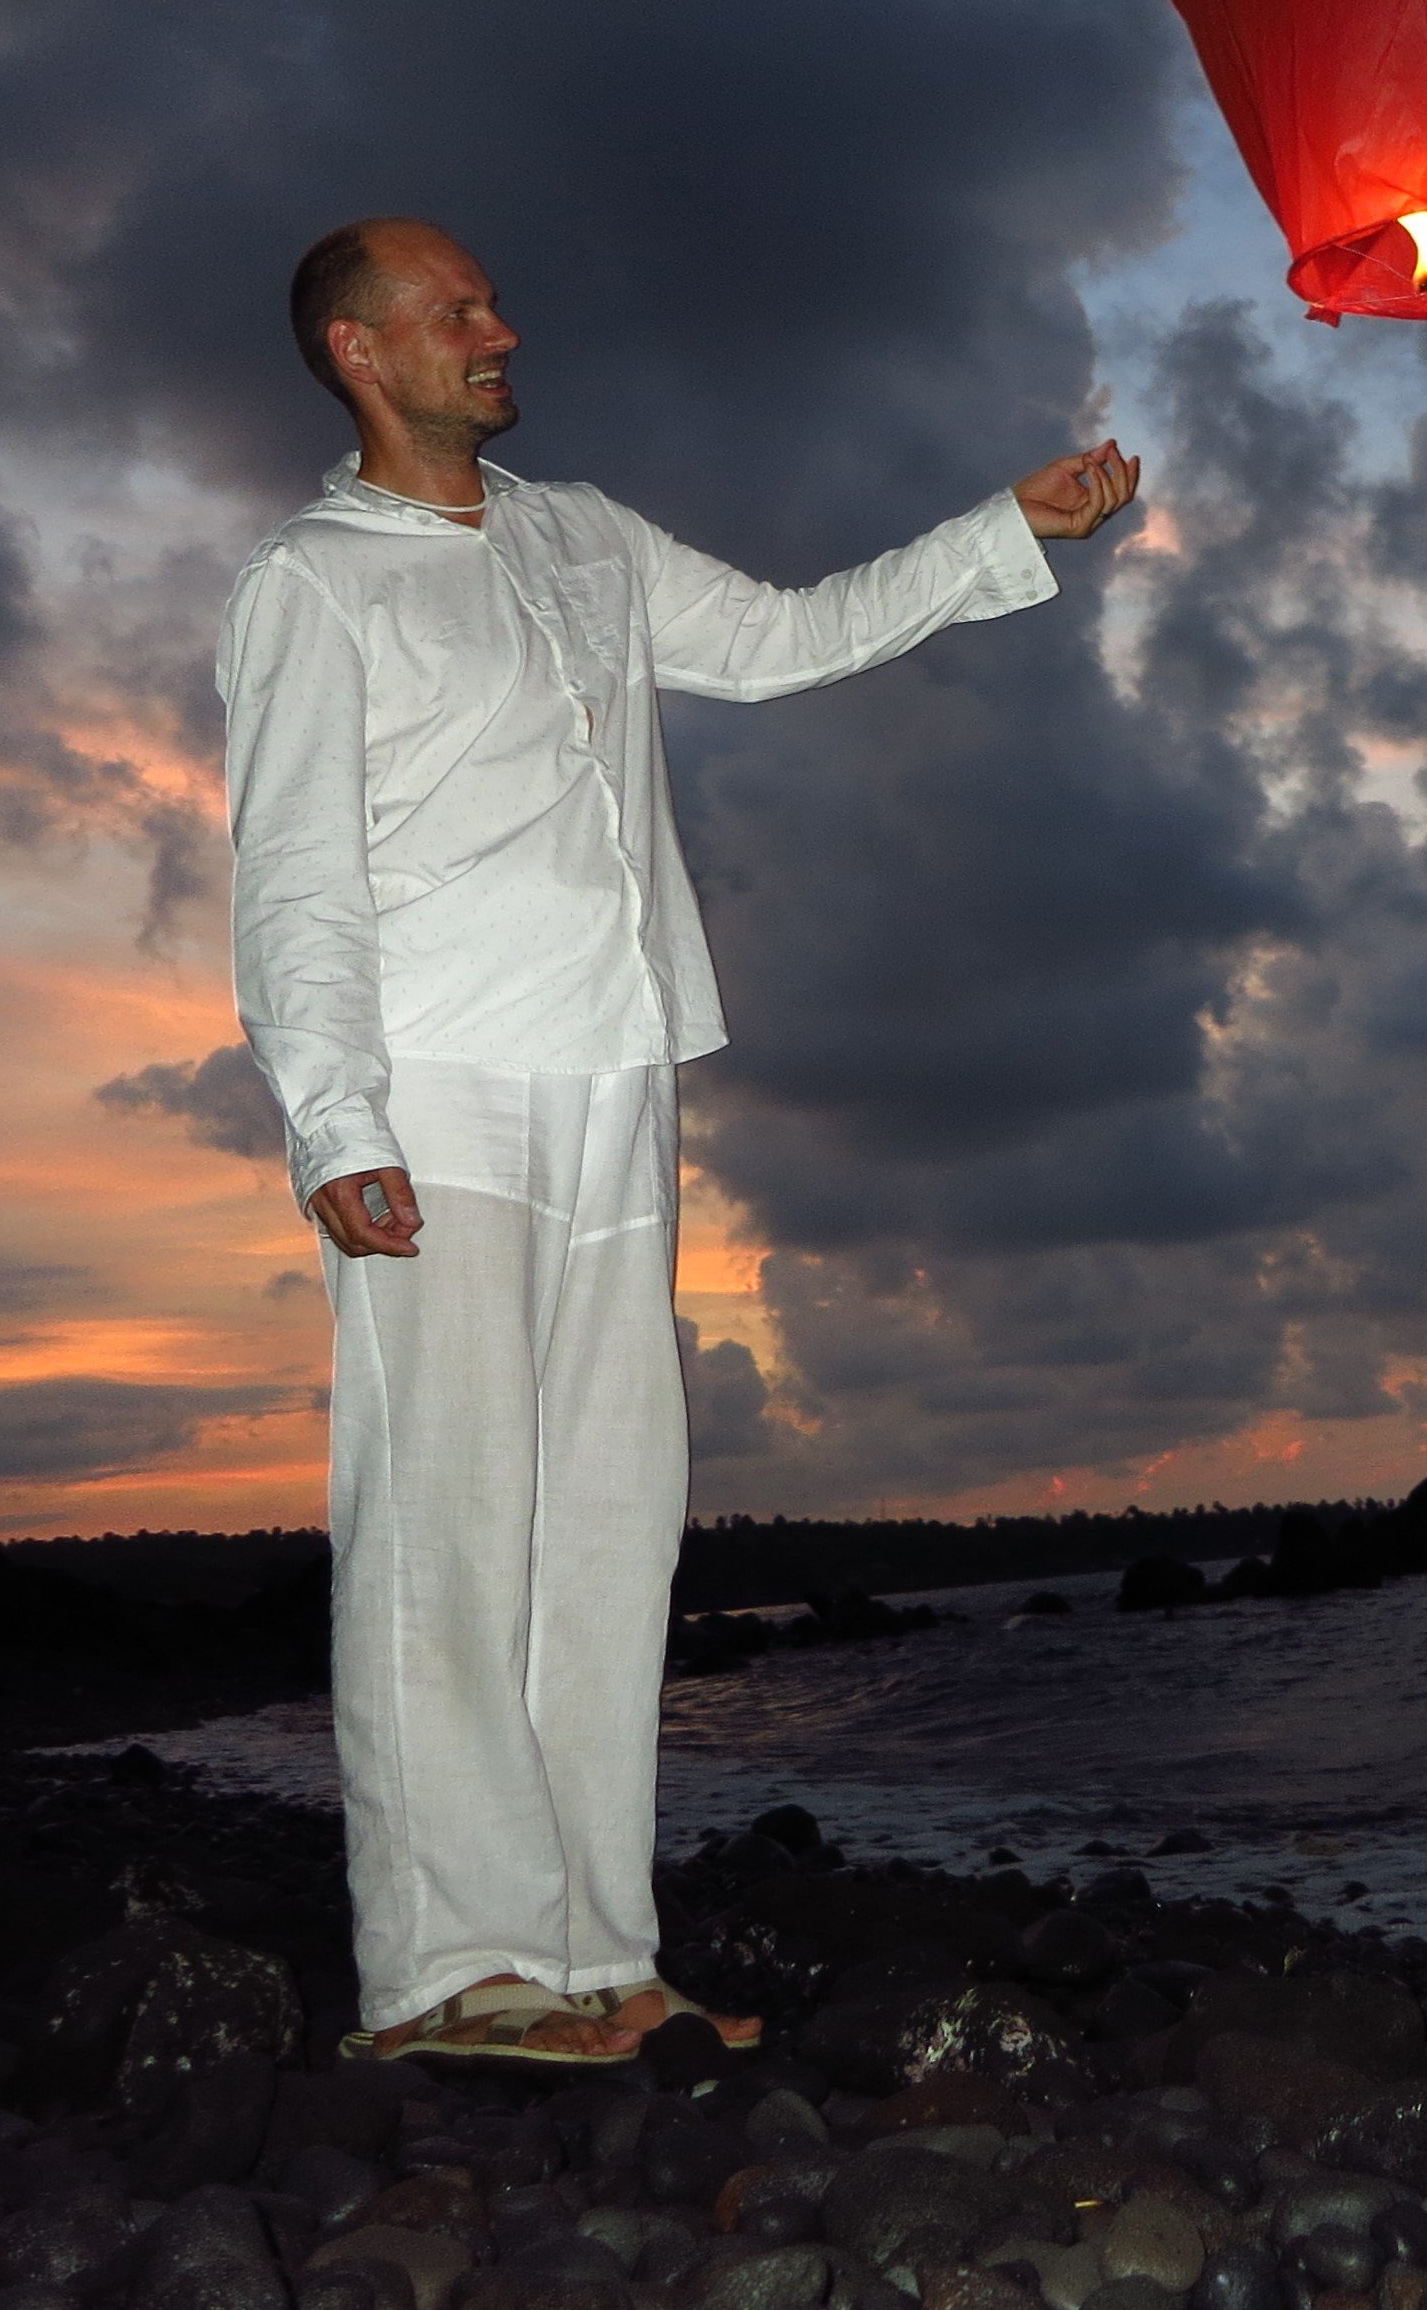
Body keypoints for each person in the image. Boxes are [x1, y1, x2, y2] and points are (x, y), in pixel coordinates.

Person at [222, 219, 1137, 2066]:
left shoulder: (584, 532)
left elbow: (786, 639)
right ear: (358, 351)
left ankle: (593, 1951)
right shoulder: (309, 579)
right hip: (437, 1082)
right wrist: (334, 1118)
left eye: (495, 299)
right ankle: (446, 1970)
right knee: (443, 1517)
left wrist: (1001, 529)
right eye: (456, 311)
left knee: (607, 1523)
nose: (499, 327)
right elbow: (292, 875)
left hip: (617, 1067)